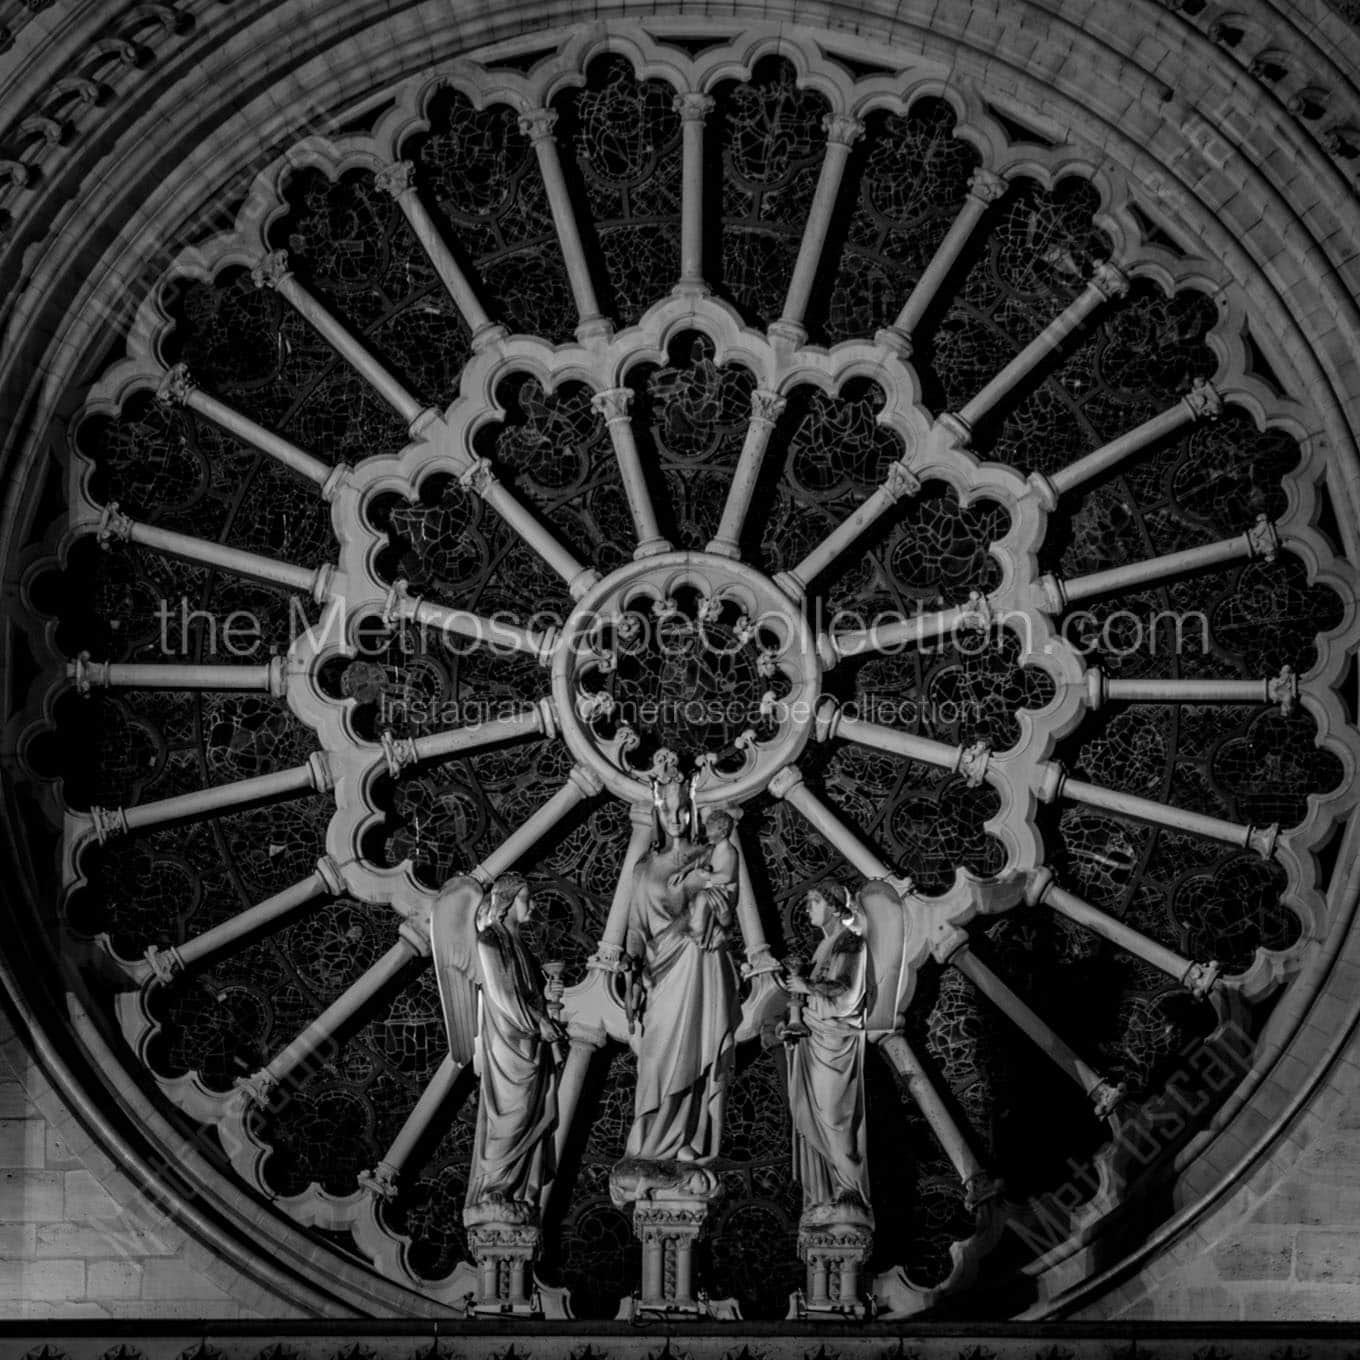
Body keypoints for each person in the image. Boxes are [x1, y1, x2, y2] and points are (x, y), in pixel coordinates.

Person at [431, 871, 564, 1219]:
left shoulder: (522, 950)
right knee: (512, 1115)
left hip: (529, 1045)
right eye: (526, 899)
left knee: (532, 1113)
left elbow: (526, 994)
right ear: (506, 903)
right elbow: (501, 996)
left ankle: (516, 1187)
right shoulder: (489, 942)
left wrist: (545, 1002)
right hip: (508, 1045)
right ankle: (493, 1188)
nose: (532, 906)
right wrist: (539, 1021)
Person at [623, 779, 740, 1166]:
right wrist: (632, 973)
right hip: (659, 972)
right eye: (667, 810)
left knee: (693, 1050)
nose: (675, 818)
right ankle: (650, 1141)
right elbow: (636, 929)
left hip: (699, 962)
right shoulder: (645, 868)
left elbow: (727, 910)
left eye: (682, 809)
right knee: (656, 1060)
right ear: (656, 811)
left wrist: (716, 910)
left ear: (693, 811)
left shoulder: (713, 855)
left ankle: (683, 1136)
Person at [784, 878, 873, 1213]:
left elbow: (848, 992)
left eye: (814, 902)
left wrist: (806, 987)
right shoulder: (823, 947)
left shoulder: (850, 942)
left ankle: (850, 1190)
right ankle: (829, 1189)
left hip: (838, 1043)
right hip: (817, 1041)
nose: (807, 909)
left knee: (836, 1116)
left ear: (834, 906)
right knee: (816, 1117)